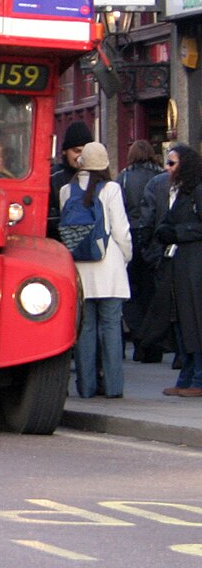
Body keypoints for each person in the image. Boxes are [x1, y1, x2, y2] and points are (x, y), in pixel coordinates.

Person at [59, 142, 133, 399]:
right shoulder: (111, 188)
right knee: (111, 327)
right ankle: (113, 387)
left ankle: (86, 387)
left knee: (86, 327)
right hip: (108, 265)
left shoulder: (66, 190)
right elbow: (121, 229)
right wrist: (126, 256)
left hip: (80, 268)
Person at [144, 144, 202, 396]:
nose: (167, 168)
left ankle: (197, 378)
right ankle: (186, 376)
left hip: (194, 264)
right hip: (177, 263)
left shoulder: (198, 190)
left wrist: (177, 232)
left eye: (172, 163)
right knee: (179, 319)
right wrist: (164, 232)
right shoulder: (180, 191)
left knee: (194, 320)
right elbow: (165, 221)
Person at [118, 140, 166, 361]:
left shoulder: (125, 177)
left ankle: (140, 339)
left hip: (131, 235)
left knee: (131, 292)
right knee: (152, 291)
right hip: (157, 237)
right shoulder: (162, 176)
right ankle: (153, 343)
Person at [48, 120, 93, 240]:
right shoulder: (53, 177)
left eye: (85, 151)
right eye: (76, 151)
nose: (81, 156)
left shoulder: (96, 175)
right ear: (64, 151)